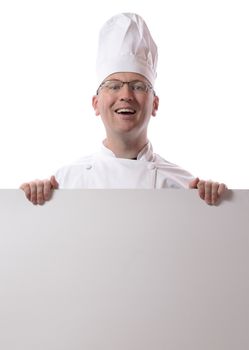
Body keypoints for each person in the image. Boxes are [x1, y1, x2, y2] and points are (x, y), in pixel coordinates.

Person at [20, 13, 226, 205]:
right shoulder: (65, 183)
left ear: (155, 104)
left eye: (138, 86)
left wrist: (218, 204)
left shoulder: (184, 186)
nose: (126, 95)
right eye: (114, 85)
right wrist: (30, 199)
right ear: (96, 104)